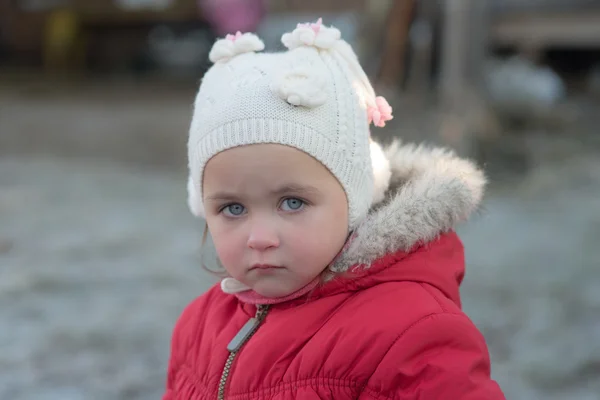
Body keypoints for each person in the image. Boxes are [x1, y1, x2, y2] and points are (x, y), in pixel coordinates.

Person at [163, 18, 506, 400]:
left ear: (354, 199)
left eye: (292, 202)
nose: (260, 238)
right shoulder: (199, 325)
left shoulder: (411, 334)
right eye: (232, 208)